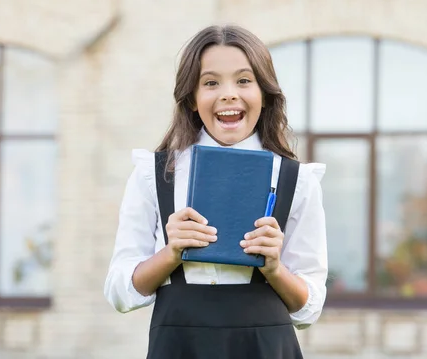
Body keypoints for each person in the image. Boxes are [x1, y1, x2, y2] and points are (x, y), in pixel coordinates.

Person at [104, 24, 327, 359]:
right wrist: (171, 252)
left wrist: (274, 268)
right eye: (210, 83)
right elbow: (119, 292)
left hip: (265, 347)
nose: (228, 94)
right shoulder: (154, 174)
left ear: (263, 94)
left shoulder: (297, 179)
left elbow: (308, 309)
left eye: (243, 80)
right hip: (179, 347)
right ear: (192, 99)